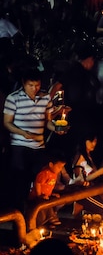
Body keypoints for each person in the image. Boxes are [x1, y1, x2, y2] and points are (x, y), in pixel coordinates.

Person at [3, 67, 60, 214]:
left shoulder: (45, 97)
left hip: (38, 146)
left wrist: (56, 128)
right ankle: (19, 218)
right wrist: (23, 133)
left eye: (38, 85)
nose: (35, 88)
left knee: (38, 182)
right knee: (20, 183)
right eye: (31, 85)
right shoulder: (13, 98)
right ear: (23, 83)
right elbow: (7, 122)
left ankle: (36, 215)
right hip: (19, 146)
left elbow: (47, 122)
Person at [27, 150, 67, 228]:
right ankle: (42, 223)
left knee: (49, 205)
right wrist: (39, 195)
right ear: (51, 164)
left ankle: (50, 219)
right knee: (42, 209)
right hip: (37, 197)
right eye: (59, 167)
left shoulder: (54, 174)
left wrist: (51, 193)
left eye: (62, 167)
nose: (60, 169)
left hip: (46, 196)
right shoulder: (44, 173)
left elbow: (49, 185)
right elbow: (38, 183)